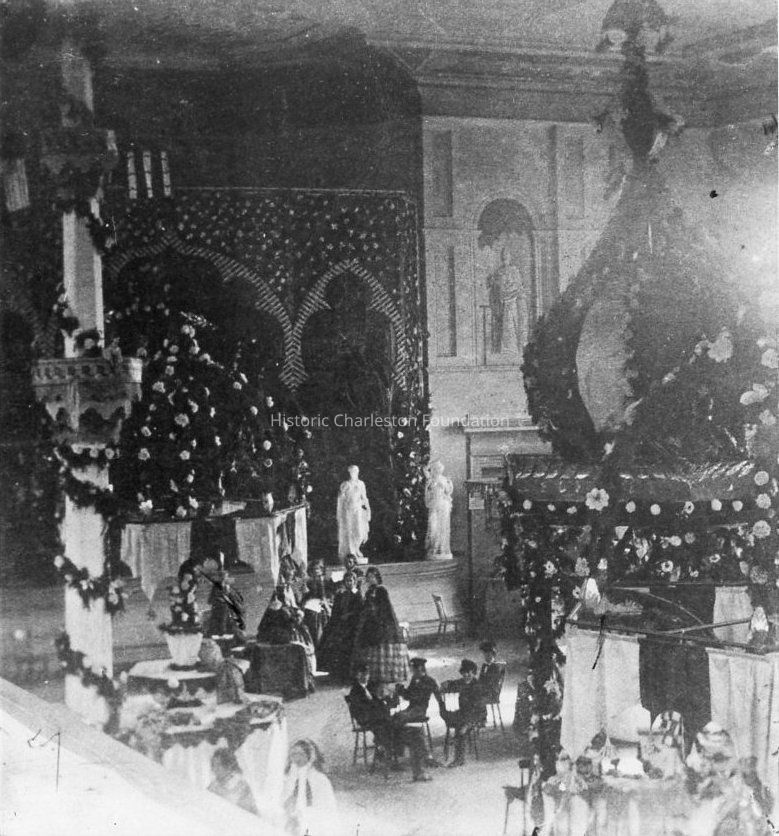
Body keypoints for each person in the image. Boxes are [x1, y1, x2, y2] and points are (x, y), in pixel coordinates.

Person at [352, 567, 409, 694]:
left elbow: (385, 607)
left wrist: (376, 614)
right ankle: (373, 675)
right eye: (368, 577)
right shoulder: (368, 591)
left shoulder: (382, 590)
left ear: (377, 578)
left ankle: (387, 675)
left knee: (382, 643)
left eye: (372, 577)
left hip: (383, 622)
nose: (370, 579)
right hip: (371, 621)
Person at [256, 588, 317, 686]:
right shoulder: (284, 610)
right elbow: (292, 624)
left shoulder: (266, 611)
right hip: (284, 638)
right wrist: (299, 616)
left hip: (269, 638)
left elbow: (261, 628)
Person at [283, 738, 338, 836]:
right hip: (293, 821)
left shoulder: (319, 778)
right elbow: (283, 799)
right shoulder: (288, 778)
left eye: (301, 754)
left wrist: (306, 816)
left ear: (309, 756)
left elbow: (327, 807)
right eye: (294, 754)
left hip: (314, 822)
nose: (297, 758)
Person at [440, 659, 487, 767]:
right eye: (464, 673)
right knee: (453, 717)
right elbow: (449, 684)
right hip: (463, 714)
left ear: (474, 673)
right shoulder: (460, 682)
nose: (466, 675)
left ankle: (459, 758)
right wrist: (445, 685)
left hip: (476, 715)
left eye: (469, 673)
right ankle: (458, 738)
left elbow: (479, 708)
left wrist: (468, 723)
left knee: (461, 728)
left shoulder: (478, 686)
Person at [317, 570, 363, 682]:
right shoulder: (341, 594)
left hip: (352, 625)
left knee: (348, 644)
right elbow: (336, 611)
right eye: (346, 581)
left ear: (355, 582)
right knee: (331, 640)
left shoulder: (357, 595)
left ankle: (348, 673)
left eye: (351, 580)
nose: (349, 583)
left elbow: (359, 611)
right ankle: (336, 672)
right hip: (341, 624)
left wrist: (349, 615)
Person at [208, 747, 257, 815]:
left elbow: (249, 813)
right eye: (213, 765)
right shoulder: (213, 786)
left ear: (228, 766)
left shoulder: (241, 786)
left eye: (218, 765)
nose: (214, 769)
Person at [337, 465, 371, 562]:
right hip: (348, 511)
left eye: (355, 472)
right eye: (351, 472)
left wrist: (368, 509)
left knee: (359, 532)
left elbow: (364, 497)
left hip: (358, 510)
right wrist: (340, 514)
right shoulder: (345, 484)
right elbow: (340, 500)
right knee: (350, 532)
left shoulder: (361, 484)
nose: (353, 474)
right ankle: (351, 552)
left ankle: (356, 548)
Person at [424, 460, 453, 560]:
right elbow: (428, 492)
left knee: (443, 527)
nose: (438, 470)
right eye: (436, 469)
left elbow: (448, 491)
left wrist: (449, 483)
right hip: (434, 505)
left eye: (439, 468)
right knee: (433, 527)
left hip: (443, 505)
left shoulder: (444, 479)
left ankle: (442, 549)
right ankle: (433, 549)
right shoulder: (430, 479)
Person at [301, 560, 332, 649]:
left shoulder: (326, 581)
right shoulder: (308, 582)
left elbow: (327, 594)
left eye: (318, 569)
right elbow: (305, 596)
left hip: (323, 603)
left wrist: (327, 602)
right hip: (311, 604)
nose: (316, 571)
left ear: (322, 570)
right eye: (314, 569)